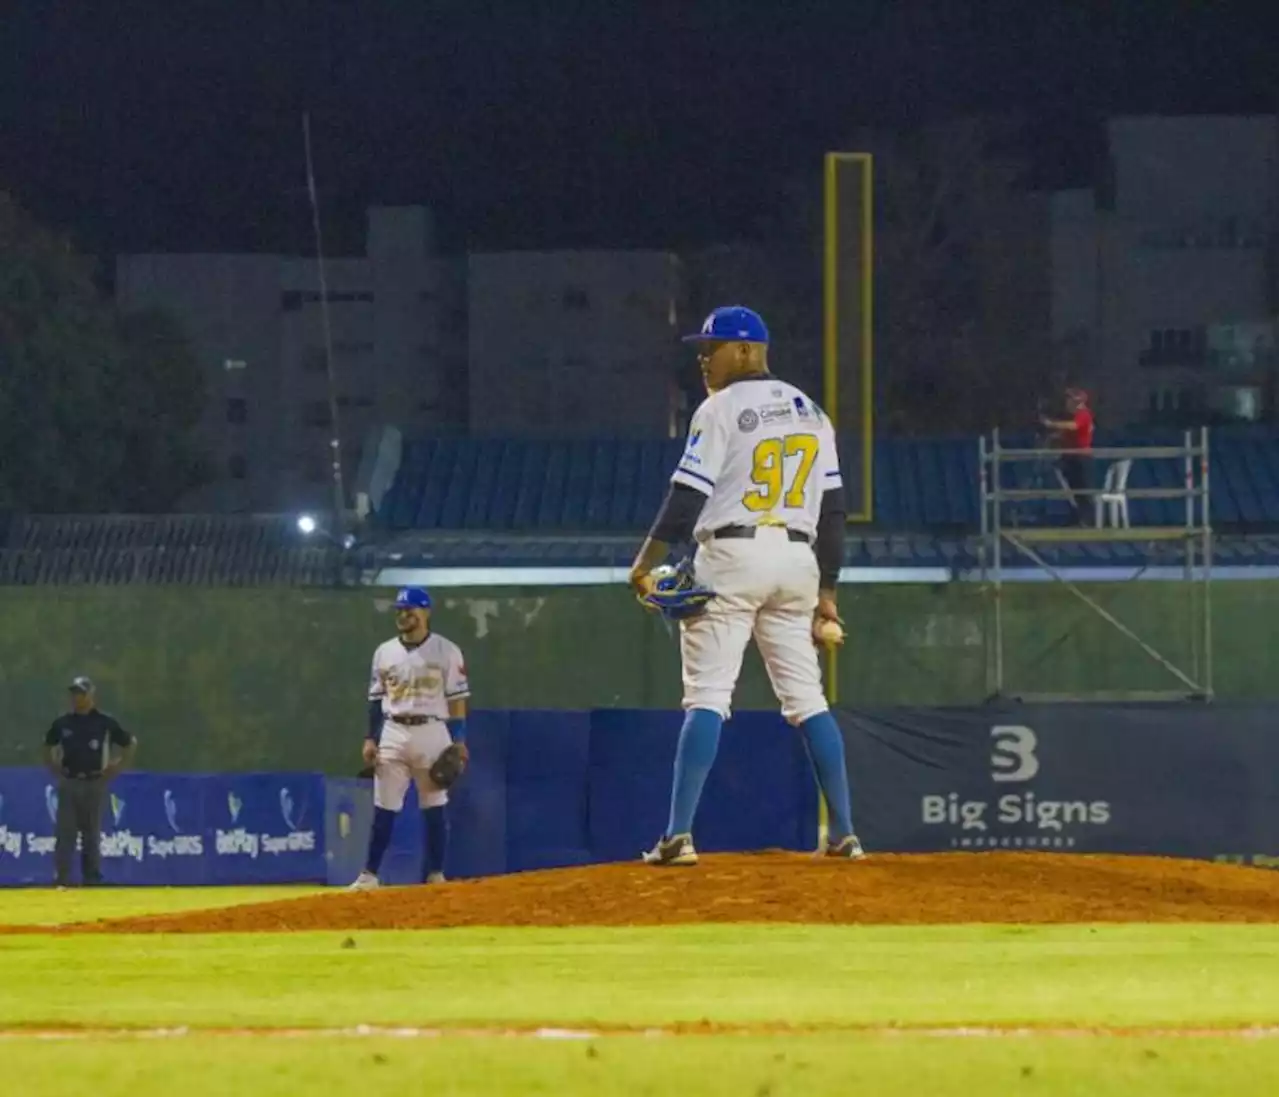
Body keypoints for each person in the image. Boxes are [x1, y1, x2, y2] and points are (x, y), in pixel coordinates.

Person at [628, 305, 864, 866]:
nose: (703, 359)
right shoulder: (813, 413)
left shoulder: (721, 408)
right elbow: (833, 512)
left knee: (707, 696)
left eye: (712, 348)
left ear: (746, 350)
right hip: (797, 560)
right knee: (809, 700)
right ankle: (845, 835)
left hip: (733, 553)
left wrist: (641, 565)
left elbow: (686, 498)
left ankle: (678, 837)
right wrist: (827, 590)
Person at [349, 587, 470, 890]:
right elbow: (376, 700)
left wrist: (459, 740)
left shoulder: (447, 650)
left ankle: (436, 874)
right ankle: (369, 875)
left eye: (410, 609)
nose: (403, 615)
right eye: (400, 610)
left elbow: (457, 700)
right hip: (393, 728)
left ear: (426, 612)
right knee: (384, 806)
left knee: (434, 804)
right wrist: (370, 738)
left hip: (432, 728)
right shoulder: (384, 651)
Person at [42, 677, 137, 888]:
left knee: (91, 834)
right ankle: (62, 878)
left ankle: (91, 879)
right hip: (70, 781)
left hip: (95, 781)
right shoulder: (63, 722)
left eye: (81, 693)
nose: (77, 698)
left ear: (91, 695)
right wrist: (53, 767)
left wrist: (118, 766)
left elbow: (129, 742)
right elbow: (47, 744)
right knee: (65, 833)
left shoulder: (104, 722)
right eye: (74, 693)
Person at [1040, 387, 1095, 525]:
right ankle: (1076, 515)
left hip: (1079, 456)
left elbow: (1074, 426)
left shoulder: (1083, 414)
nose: (1067, 403)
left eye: (1070, 400)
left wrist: (1052, 424)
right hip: (1070, 456)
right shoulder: (1077, 415)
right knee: (1072, 488)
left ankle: (1086, 517)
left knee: (1081, 488)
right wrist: (1054, 436)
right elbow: (1070, 433)